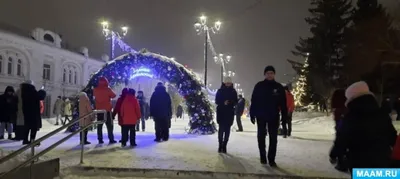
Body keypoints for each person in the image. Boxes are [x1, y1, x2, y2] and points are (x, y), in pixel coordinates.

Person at [329, 81, 397, 172]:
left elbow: (341, 141)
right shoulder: (382, 115)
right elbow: (393, 138)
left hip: (360, 166)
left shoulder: (349, 119)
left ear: (350, 100)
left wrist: (334, 155)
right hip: (383, 164)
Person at [250, 66, 287, 166]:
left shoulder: (278, 87)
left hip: (273, 116)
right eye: (268, 73)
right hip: (261, 115)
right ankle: (263, 156)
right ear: (265, 74)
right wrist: (252, 114)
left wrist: (284, 117)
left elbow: (283, 103)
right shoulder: (259, 86)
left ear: (274, 74)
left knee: (273, 138)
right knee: (261, 137)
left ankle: (271, 158)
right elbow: (254, 100)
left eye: (271, 73)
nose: (269, 75)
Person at [16, 80, 46, 145]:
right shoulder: (31, 91)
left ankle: (25, 140)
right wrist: (42, 91)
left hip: (26, 112)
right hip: (33, 112)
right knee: (34, 127)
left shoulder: (22, 90)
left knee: (27, 127)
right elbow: (39, 97)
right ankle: (32, 141)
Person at [215, 77, 238, 153]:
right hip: (221, 112)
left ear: (231, 83)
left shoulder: (233, 91)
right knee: (221, 130)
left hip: (229, 113)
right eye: (227, 83)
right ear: (224, 83)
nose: (228, 84)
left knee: (227, 130)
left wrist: (230, 102)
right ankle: (220, 145)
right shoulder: (220, 91)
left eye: (229, 83)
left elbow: (235, 101)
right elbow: (217, 101)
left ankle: (224, 145)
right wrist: (223, 102)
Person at [93, 77, 117, 144]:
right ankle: (111, 139)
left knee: (99, 126)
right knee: (109, 126)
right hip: (107, 110)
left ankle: (100, 139)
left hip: (99, 110)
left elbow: (94, 97)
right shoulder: (108, 89)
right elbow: (114, 95)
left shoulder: (95, 89)